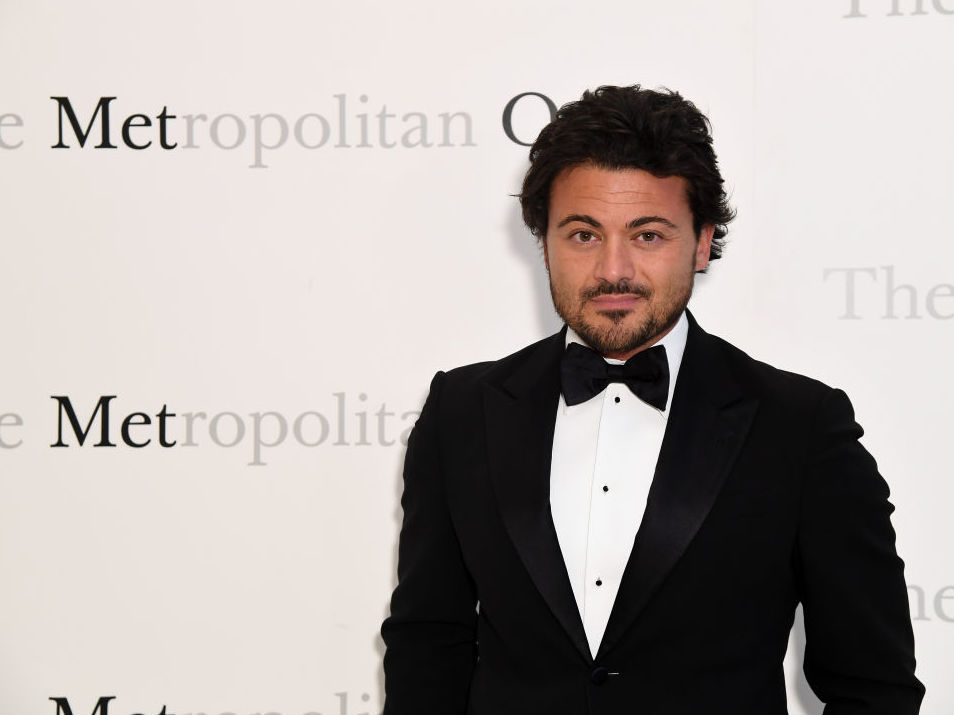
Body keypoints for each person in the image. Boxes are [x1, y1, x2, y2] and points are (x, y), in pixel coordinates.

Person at [380, 85, 924, 714]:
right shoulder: (460, 411)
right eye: (583, 235)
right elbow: (429, 644)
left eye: (648, 235)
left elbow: (873, 686)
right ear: (544, 240)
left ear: (700, 242)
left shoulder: (800, 427)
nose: (615, 270)